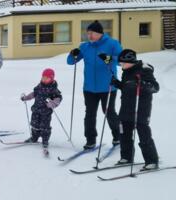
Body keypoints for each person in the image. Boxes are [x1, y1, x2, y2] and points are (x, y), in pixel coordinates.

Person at [67, 20, 122, 150]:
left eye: (92, 33)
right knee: (90, 114)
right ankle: (90, 140)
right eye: (88, 33)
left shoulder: (112, 44)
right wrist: (72, 54)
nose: (89, 36)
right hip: (89, 87)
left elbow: (121, 60)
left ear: (100, 33)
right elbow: (71, 62)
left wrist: (109, 59)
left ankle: (118, 136)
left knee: (109, 112)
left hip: (108, 86)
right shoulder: (85, 47)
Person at [111, 49, 159, 171]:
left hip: (141, 108)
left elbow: (155, 87)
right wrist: (118, 84)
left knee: (143, 133)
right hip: (126, 107)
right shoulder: (126, 71)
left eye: (122, 63)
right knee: (124, 133)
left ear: (130, 61)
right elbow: (128, 87)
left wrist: (142, 84)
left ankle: (152, 161)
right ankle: (126, 157)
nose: (121, 65)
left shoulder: (144, 69)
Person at [20, 68, 63, 148]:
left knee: (45, 126)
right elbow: (33, 94)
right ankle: (34, 138)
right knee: (34, 124)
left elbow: (58, 98)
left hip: (46, 112)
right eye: (43, 77)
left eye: (46, 78)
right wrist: (26, 97)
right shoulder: (39, 86)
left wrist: (52, 104)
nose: (44, 79)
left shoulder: (53, 89)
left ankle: (45, 140)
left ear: (51, 78)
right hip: (36, 109)